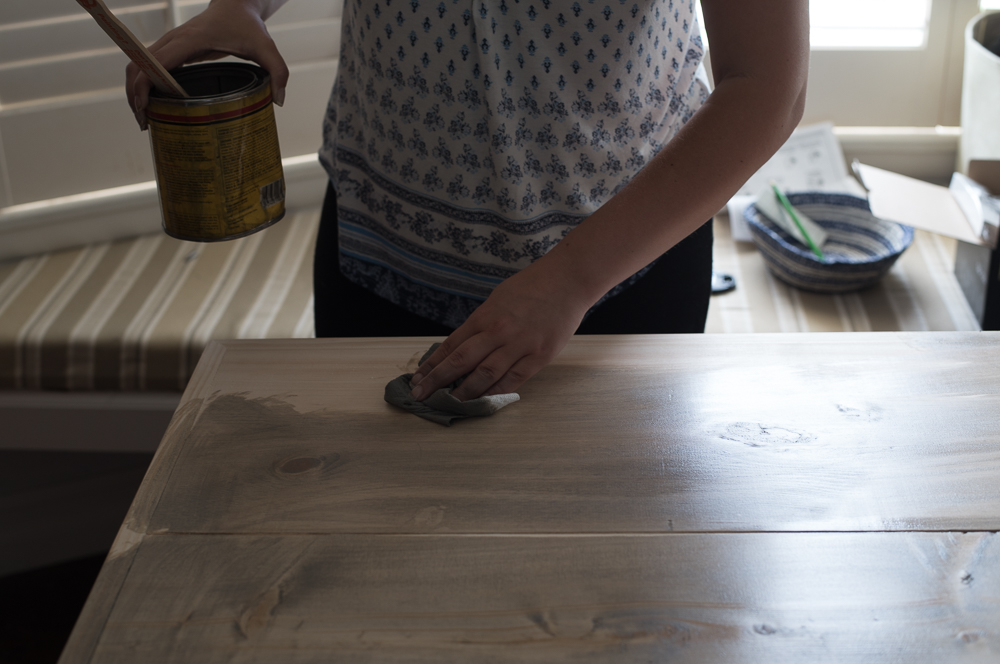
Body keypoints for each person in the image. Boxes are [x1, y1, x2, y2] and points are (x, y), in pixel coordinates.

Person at [127, 0, 808, 403]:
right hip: (380, 252)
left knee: (614, 581)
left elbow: (767, 86)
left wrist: (569, 280)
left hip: (621, 283)